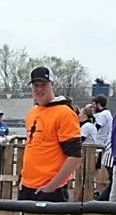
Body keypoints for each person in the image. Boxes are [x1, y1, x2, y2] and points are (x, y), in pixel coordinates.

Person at [19, 66, 82, 202]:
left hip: (50, 189)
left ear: (52, 85)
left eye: (43, 85)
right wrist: (23, 179)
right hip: (27, 187)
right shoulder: (32, 112)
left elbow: (74, 156)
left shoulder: (64, 113)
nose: (39, 89)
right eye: (36, 85)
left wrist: (52, 186)